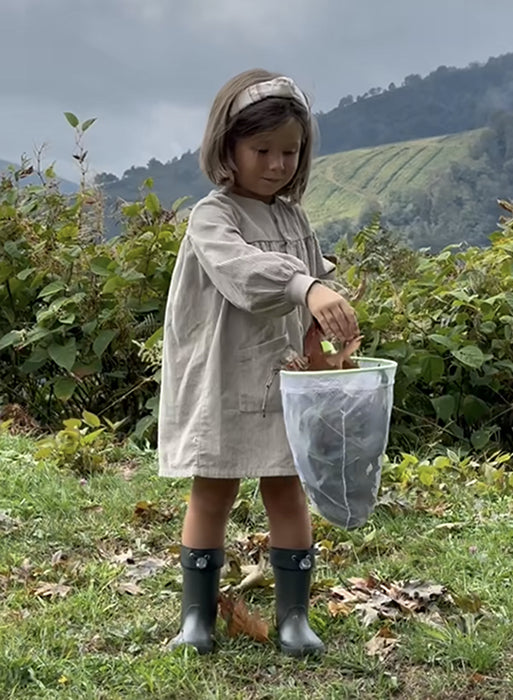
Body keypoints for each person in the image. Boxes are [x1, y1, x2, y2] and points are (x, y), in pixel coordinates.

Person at [158, 68, 359, 657]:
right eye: (262, 150)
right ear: (228, 148)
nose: (276, 165)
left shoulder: (294, 220)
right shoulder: (212, 217)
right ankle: (197, 618)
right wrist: (306, 287)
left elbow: (314, 290)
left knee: (287, 487)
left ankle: (293, 617)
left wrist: (325, 335)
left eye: (290, 152)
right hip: (222, 373)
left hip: (286, 372)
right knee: (212, 489)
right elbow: (245, 275)